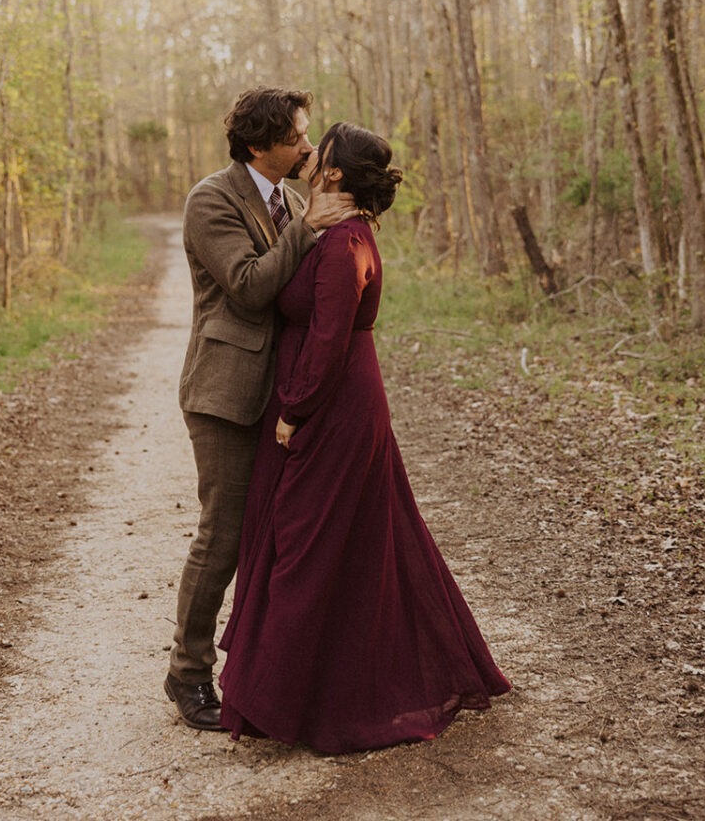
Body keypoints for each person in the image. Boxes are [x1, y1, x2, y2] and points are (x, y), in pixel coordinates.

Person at [218, 122, 511, 754]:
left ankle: (301, 698)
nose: (308, 152)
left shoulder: (344, 242)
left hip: (333, 408)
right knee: (331, 545)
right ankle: (306, 688)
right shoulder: (324, 230)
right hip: (329, 402)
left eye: (317, 148)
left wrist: (294, 411)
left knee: (307, 545)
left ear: (336, 173)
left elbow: (327, 339)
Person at [166, 87, 356, 730]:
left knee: (279, 538)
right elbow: (248, 288)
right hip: (225, 395)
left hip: (282, 394)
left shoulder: (294, 202)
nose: (308, 147)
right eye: (296, 138)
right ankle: (187, 673)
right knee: (222, 538)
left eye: (306, 135)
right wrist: (306, 231)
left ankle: (265, 673)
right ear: (257, 146)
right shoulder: (211, 199)